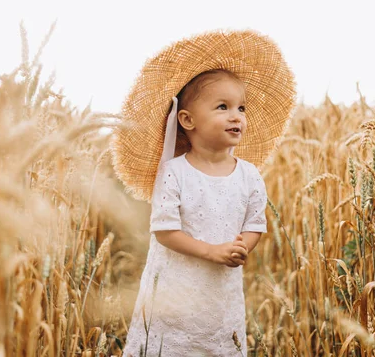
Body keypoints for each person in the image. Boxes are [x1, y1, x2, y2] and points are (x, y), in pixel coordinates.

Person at [112, 29, 296, 356]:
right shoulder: (174, 172)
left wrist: (241, 247)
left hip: (221, 288)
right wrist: (212, 252)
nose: (236, 116)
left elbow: (255, 223)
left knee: (218, 343)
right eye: (222, 106)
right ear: (187, 119)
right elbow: (165, 231)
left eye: (241, 108)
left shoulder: (249, 175)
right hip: (175, 285)